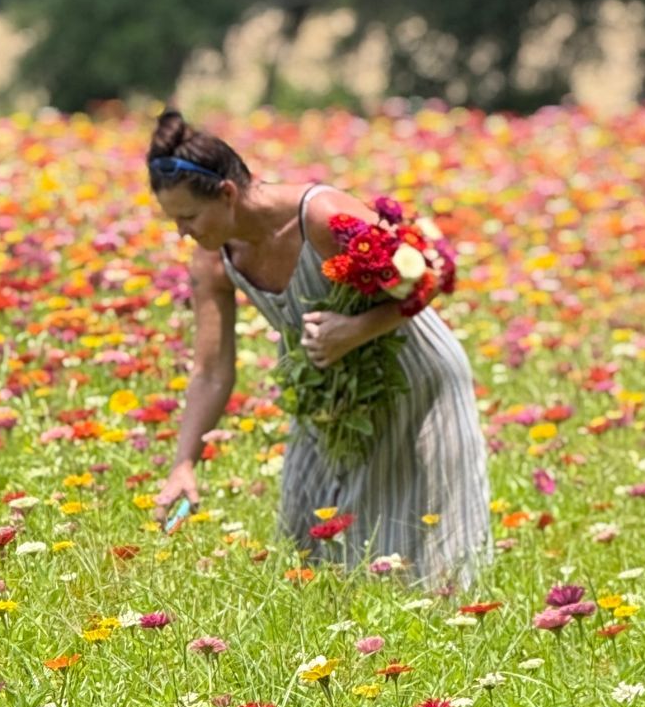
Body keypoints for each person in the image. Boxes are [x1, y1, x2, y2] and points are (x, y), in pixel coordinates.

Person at [147, 106, 490, 588]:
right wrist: (185, 462)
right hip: (326, 393)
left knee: (418, 545)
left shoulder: (323, 217)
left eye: (188, 217)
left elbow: (427, 275)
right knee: (310, 543)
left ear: (226, 194)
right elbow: (211, 371)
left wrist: (356, 330)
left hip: (411, 376)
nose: (182, 232)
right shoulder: (212, 259)